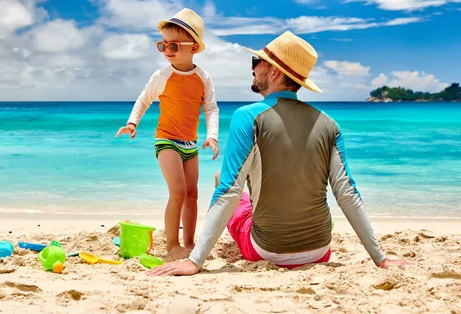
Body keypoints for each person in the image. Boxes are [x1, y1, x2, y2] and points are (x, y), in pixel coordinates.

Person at [148, 31, 406, 275]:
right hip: (319, 251)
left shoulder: (247, 116)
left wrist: (195, 262)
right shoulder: (329, 123)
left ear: (273, 71)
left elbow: (229, 192)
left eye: (256, 61)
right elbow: (347, 192)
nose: (252, 68)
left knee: (220, 179)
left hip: (265, 249)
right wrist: (379, 258)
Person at [116, 8, 219, 259]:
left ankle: (189, 243)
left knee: (192, 194)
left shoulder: (203, 77)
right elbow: (144, 99)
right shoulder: (163, 76)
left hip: (190, 144)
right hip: (166, 140)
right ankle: (172, 245)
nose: (166, 51)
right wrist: (133, 123)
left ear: (193, 48)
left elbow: (211, 108)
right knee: (178, 192)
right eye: (162, 46)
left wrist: (212, 135)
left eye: (172, 46)